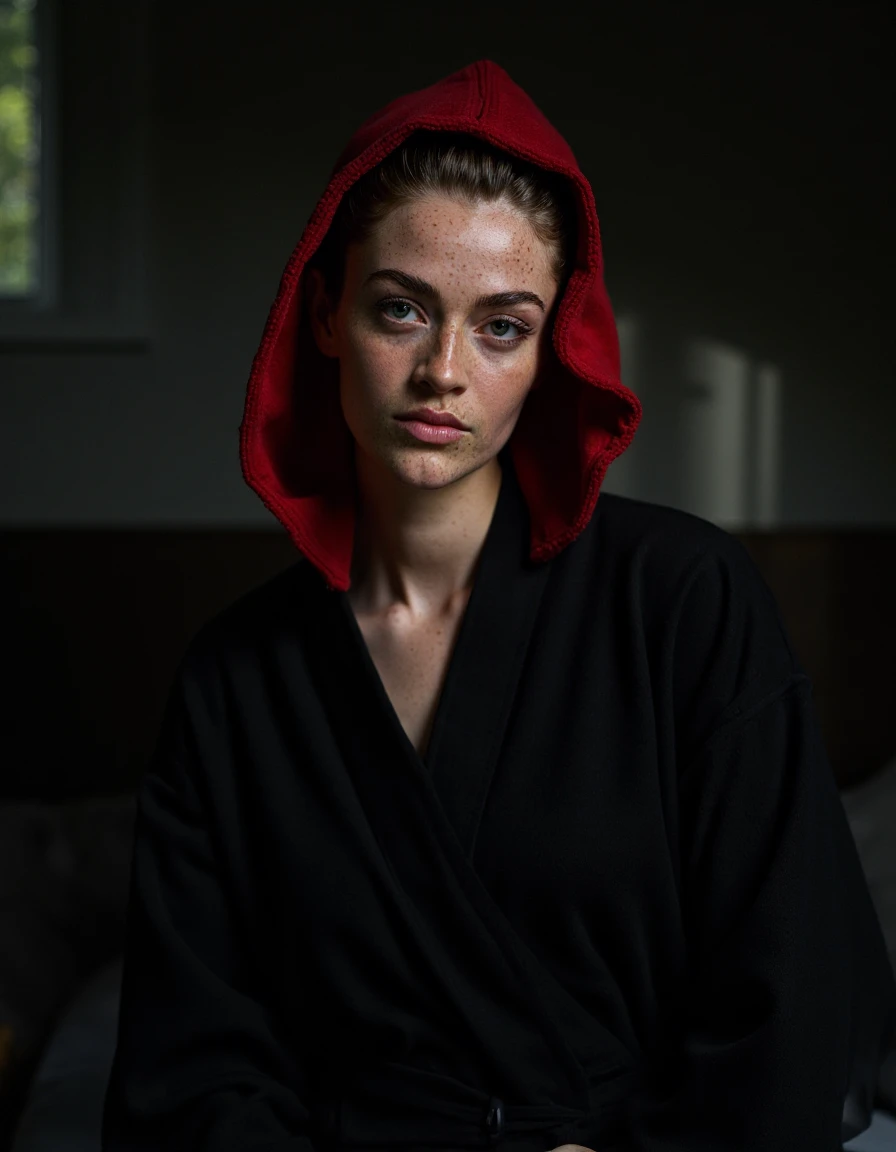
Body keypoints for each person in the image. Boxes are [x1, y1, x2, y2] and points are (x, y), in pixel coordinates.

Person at [101, 60, 896, 1152]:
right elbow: (191, 1063)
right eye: (399, 310)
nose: (442, 371)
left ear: (550, 348)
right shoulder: (237, 679)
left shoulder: (681, 601)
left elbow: (800, 1006)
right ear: (324, 311)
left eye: (500, 326)